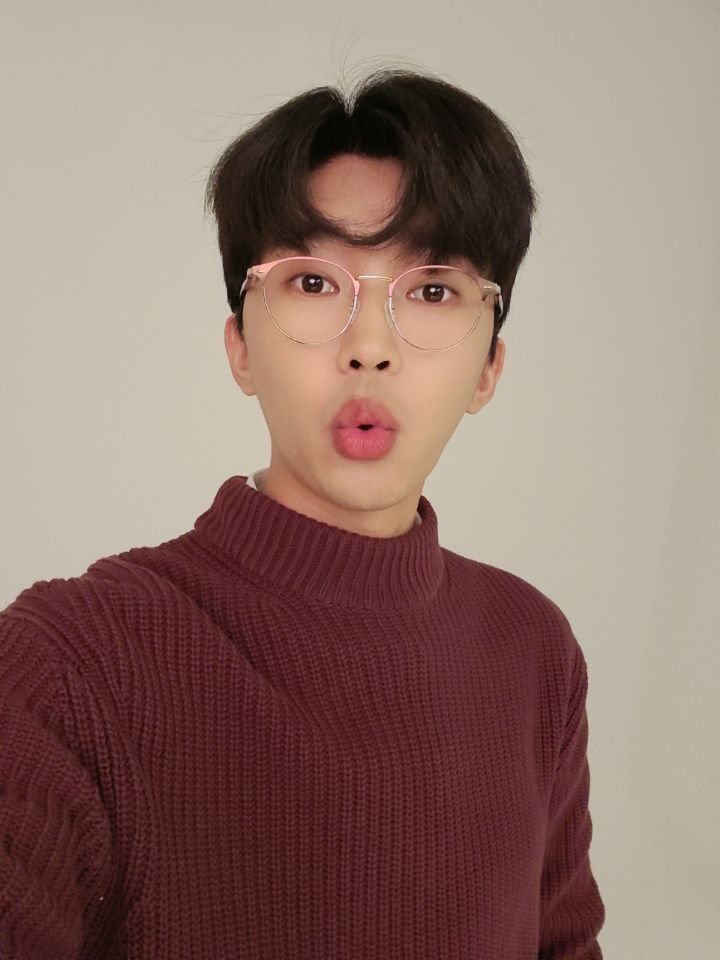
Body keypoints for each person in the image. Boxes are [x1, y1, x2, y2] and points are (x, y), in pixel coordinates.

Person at [0, 68, 605, 959]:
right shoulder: (66, 662)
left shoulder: (533, 650)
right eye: (314, 282)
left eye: (432, 289)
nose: (370, 348)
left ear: (489, 368)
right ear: (241, 347)